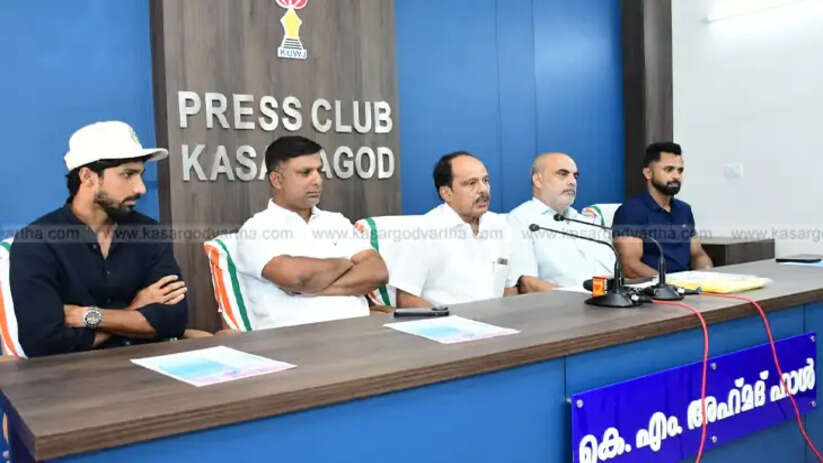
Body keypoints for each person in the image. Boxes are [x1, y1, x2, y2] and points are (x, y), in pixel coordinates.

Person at [10, 121, 188, 357]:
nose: (141, 188)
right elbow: (43, 342)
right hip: (72, 375)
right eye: (128, 174)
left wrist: (86, 316)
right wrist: (134, 310)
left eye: (141, 175)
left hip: (149, 367)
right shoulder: (36, 242)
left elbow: (174, 321)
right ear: (87, 177)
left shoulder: (149, 231)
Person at [235, 136, 388, 329]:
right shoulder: (256, 229)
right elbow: (296, 278)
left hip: (360, 331)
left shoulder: (336, 221)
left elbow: (377, 272)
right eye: (305, 172)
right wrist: (345, 263)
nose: (317, 180)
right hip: (295, 338)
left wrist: (313, 288)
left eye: (319, 171)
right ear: (277, 180)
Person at [392, 151, 530, 307]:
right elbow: (406, 299)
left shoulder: (501, 226)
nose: (483, 189)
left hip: (496, 319)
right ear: (446, 193)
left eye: (485, 180)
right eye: (471, 183)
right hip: (444, 320)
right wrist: (447, 319)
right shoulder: (423, 232)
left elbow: (509, 288)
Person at [508, 153, 615, 289]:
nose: (572, 182)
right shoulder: (520, 220)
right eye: (563, 174)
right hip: (564, 301)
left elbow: (613, 272)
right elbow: (527, 284)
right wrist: (574, 298)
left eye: (575, 176)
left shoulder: (587, 222)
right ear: (538, 180)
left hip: (607, 298)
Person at [613, 142, 712, 278]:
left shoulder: (684, 210)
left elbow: (698, 255)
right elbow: (630, 267)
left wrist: (708, 274)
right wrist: (670, 284)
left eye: (680, 170)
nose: (676, 176)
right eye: (669, 169)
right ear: (648, 173)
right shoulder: (631, 211)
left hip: (686, 286)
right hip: (654, 288)